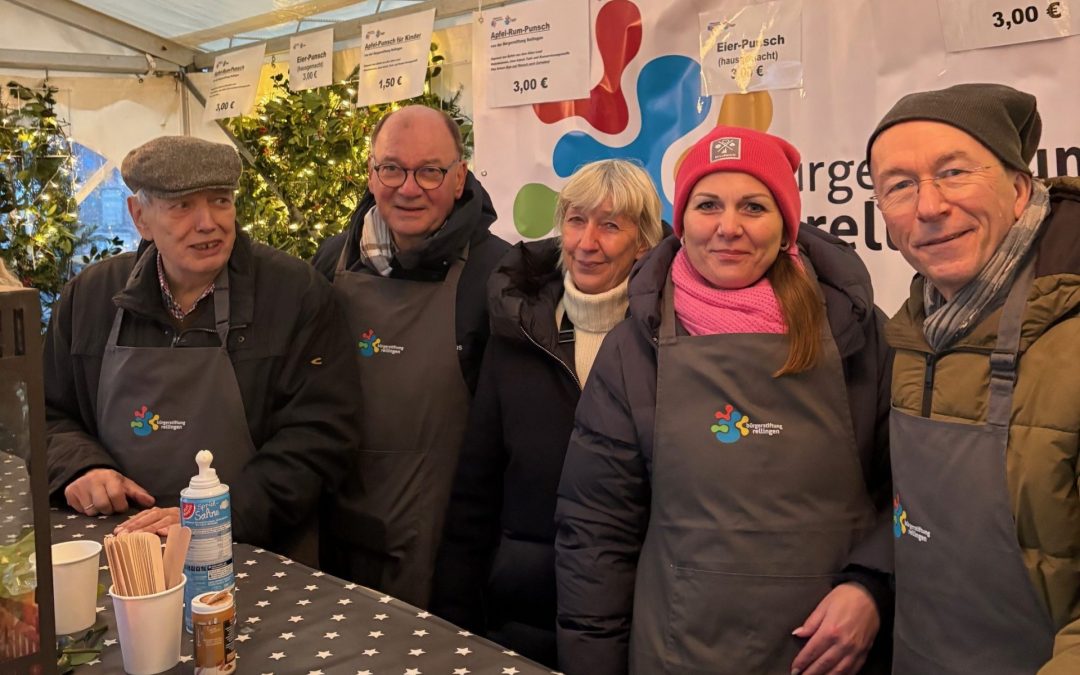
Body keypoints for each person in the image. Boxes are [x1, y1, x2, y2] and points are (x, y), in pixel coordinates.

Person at [555, 125, 894, 675]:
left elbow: (910, 491)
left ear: (786, 223)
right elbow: (596, 532)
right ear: (681, 221)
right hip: (678, 647)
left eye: (754, 207)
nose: (728, 228)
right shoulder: (635, 347)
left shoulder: (856, 334)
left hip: (832, 653)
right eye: (708, 204)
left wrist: (873, 586)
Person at [44, 136, 360, 562]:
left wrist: (215, 516)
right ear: (139, 216)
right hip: (121, 547)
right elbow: (47, 415)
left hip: (255, 548)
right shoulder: (90, 299)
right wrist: (81, 467)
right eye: (182, 206)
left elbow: (322, 434)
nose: (208, 222)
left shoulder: (295, 294)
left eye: (220, 201)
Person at [868, 83, 1080, 674]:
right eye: (900, 186)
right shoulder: (909, 334)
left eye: (954, 172)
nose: (929, 207)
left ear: (1018, 189)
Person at [431, 159, 664, 666]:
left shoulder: (667, 341)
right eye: (577, 221)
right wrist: (453, 614)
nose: (586, 242)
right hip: (522, 611)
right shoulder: (518, 331)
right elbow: (477, 486)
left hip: (636, 612)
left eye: (610, 225)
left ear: (644, 242)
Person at [312, 105, 509, 608]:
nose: (408, 187)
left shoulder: (497, 275)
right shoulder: (330, 261)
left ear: (460, 175)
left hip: (445, 547)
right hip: (334, 534)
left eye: (429, 171)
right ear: (372, 173)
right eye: (392, 169)